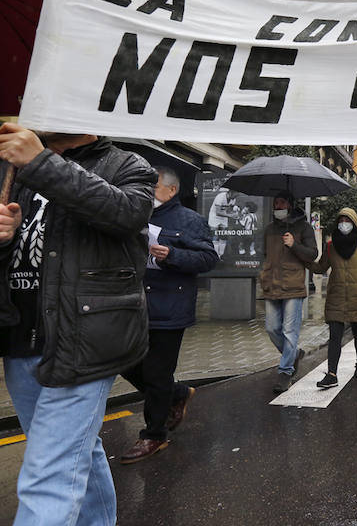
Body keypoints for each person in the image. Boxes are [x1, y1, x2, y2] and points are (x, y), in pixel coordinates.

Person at [0, 123, 155, 524]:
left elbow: (124, 213)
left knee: (46, 476)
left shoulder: (128, 165)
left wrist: (39, 161)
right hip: (21, 339)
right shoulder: (11, 169)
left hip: (84, 343)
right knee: (72, 454)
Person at [119, 166, 219, 464]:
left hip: (169, 308)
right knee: (124, 361)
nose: (148, 192)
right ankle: (176, 394)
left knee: (156, 371)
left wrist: (172, 255)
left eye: (154, 187)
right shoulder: (134, 214)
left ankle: (154, 434)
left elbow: (208, 258)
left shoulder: (189, 220)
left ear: (171, 190)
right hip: (133, 305)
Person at [310, 208, 357, 388]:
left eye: (347, 220)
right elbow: (321, 267)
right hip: (336, 297)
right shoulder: (331, 246)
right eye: (340, 220)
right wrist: (303, 257)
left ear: (354, 222)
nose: (344, 224)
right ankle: (332, 374)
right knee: (335, 336)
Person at [260, 190, 318, 394]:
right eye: (276, 203)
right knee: (271, 328)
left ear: (291, 205)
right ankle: (293, 356)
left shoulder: (303, 227)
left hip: (293, 286)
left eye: (282, 202)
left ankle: (285, 372)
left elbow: (312, 254)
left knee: (289, 331)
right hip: (271, 285)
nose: (278, 206)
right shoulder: (269, 229)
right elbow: (265, 254)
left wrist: (294, 245)